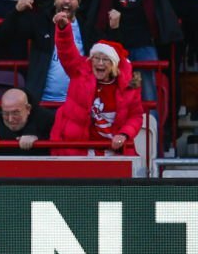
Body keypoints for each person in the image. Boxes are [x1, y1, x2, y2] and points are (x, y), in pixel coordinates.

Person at [51, 17, 145, 156]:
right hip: (79, 150)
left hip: (113, 152)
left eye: (105, 59)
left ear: (114, 64)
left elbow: (136, 116)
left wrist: (124, 134)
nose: (100, 63)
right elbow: (66, 51)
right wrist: (64, 29)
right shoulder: (79, 73)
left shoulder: (129, 86)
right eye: (96, 58)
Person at [0, 87, 54, 155]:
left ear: (28, 109)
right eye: (5, 113)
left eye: (15, 113)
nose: (10, 119)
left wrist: (36, 138)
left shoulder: (47, 121)